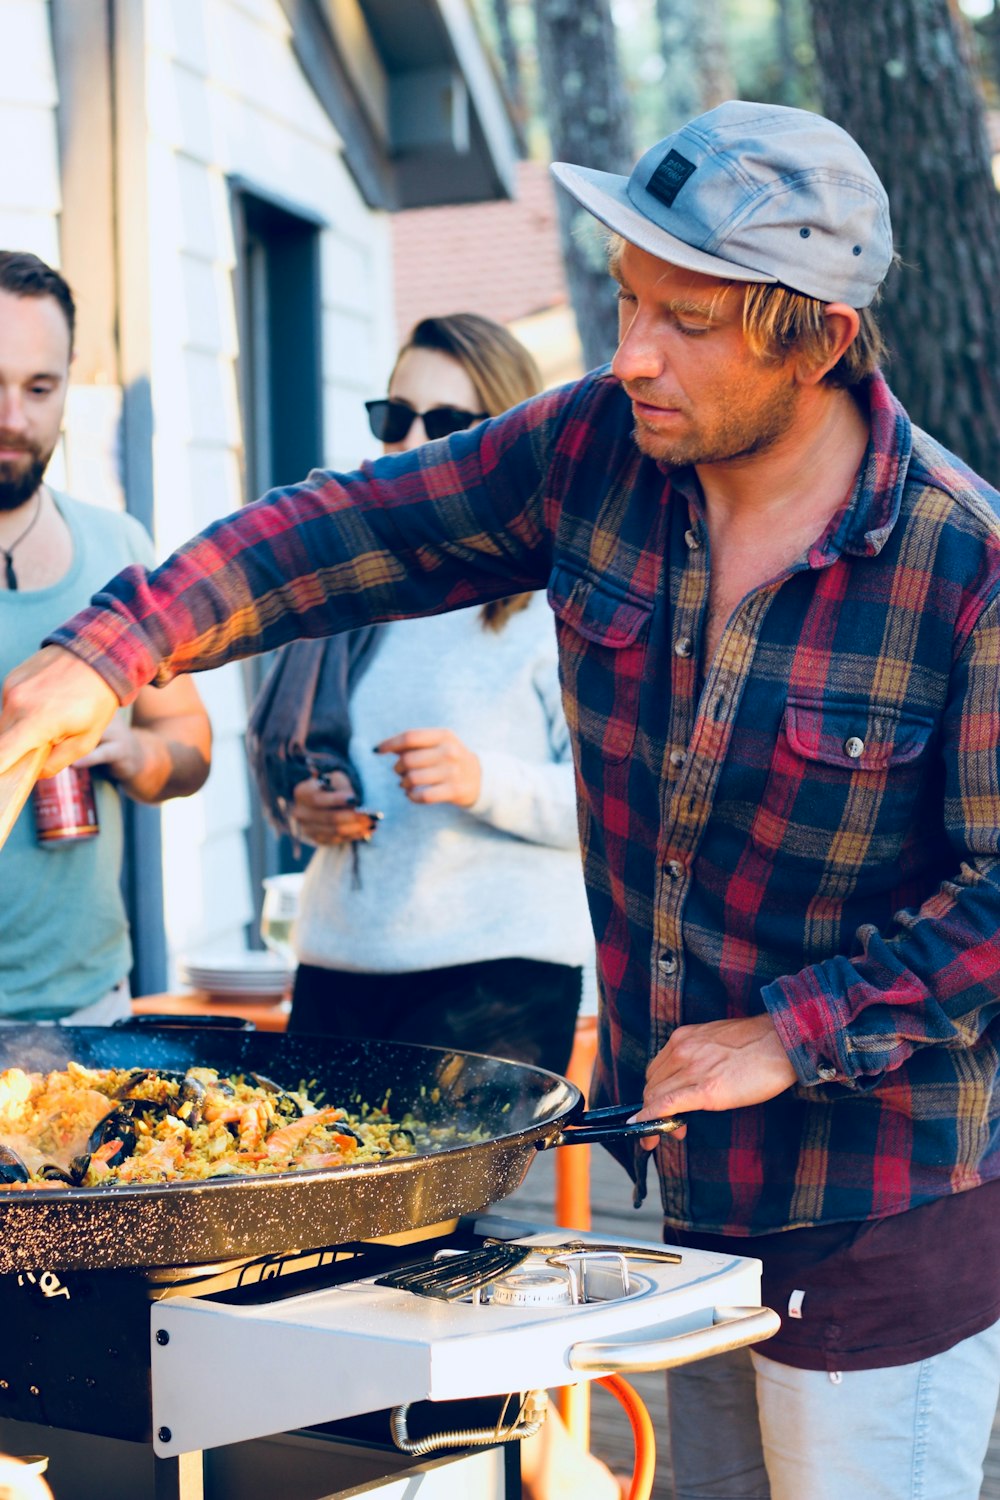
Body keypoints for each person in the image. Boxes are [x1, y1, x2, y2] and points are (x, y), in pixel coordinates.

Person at [0, 99, 998, 1498]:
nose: (634, 353)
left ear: (820, 338)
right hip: (689, 1192)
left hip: (883, 1214)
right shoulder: (595, 452)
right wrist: (101, 657)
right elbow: (346, 529)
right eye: (626, 300)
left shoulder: (963, 565)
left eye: (689, 320)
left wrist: (793, 1030)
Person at [262, 313, 592, 1076]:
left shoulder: (555, 603)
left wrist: (483, 782)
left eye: (444, 423)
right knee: (308, 1194)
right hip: (341, 963)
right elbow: (289, 756)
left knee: (433, 1204)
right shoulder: (343, 591)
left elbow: (620, 804)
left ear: (504, 439)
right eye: (394, 417)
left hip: (495, 979)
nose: (409, 444)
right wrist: (305, 811)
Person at [0, 251, 211, 1023]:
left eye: (39, 388)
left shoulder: (117, 547)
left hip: (92, 1011)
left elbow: (189, 740)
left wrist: (140, 756)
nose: (13, 419)